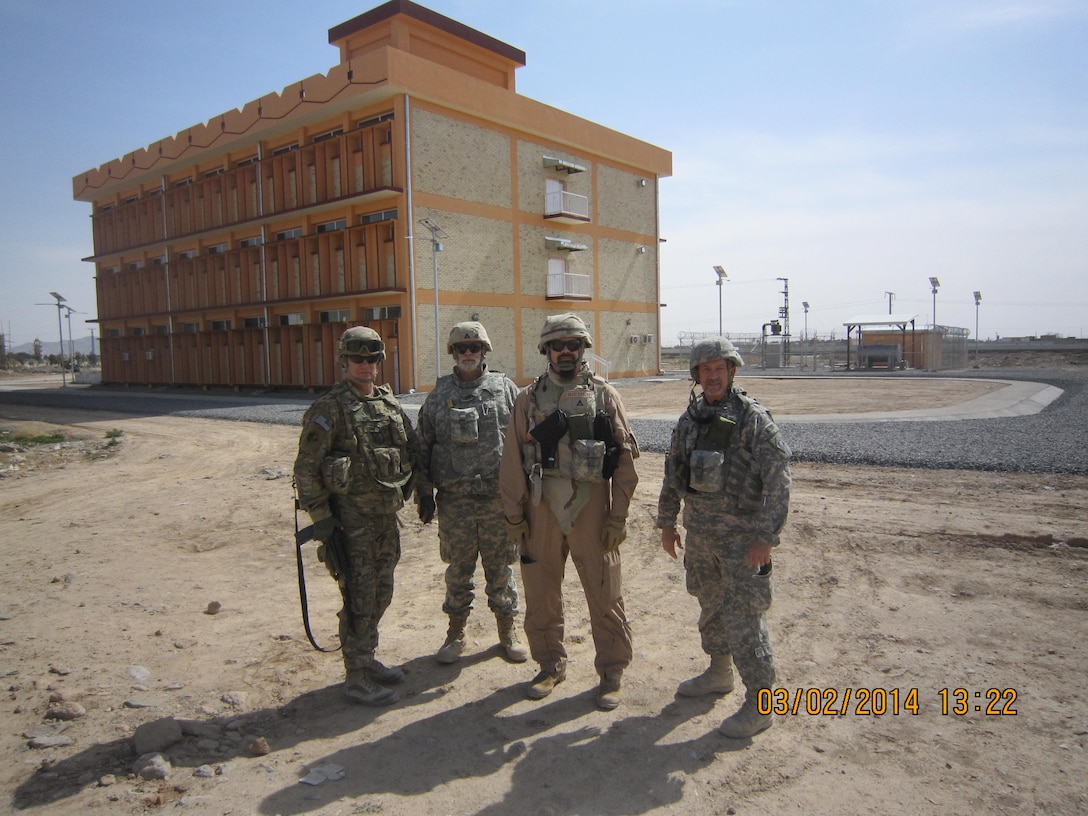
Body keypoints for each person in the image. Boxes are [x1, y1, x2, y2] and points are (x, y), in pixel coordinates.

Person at [499, 313, 639, 710]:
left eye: (572, 345)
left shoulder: (605, 396)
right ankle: (549, 664)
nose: (565, 351)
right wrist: (513, 514)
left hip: (591, 506)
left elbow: (625, 460)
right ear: (546, 350)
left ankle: (611, 670)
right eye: (557, 345)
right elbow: (512, 459)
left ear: (583, 350)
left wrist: (618, 515)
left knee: (604, 591)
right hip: (540, 506)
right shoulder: (527, 400)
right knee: (540, 593)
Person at [656, 337, 791, 738]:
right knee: (710, 607)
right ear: (696, 375)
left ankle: (761, 703)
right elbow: (673, 474)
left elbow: (779, 481)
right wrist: (667, 523)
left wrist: (766, 537)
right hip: (701, 537)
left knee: (745, 620)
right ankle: (718, 672)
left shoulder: (753, 419)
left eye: (719, 369)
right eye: (705, 370)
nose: (712, 376)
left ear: (732, 372)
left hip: (743, 543)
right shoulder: (690, 420)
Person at [293, 326, 419, 706]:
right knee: (359, 595)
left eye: (372, 359)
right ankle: (356, 675)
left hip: (385, 518)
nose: (365, 366)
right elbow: (305, 469)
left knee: (382, 591)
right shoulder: (328, 409)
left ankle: (367, 658)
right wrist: (322, 521)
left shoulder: (387, 403)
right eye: (357, 359)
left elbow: (411, 449)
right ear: (344, 361)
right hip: (349, 524)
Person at [415, 321, 528, 664]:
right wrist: (422, 491)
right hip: (455, 503)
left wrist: (525, 494)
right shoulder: (438, 396)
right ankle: (455, 633)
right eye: (462, 349)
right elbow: (422, 444)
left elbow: (525, 442)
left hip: (497, 501)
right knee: (458, 570)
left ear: (484, 352)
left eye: (474, 348)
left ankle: (508, 630)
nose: (468, 353)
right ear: (453, 353)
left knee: (501, 569)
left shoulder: (505, 390)